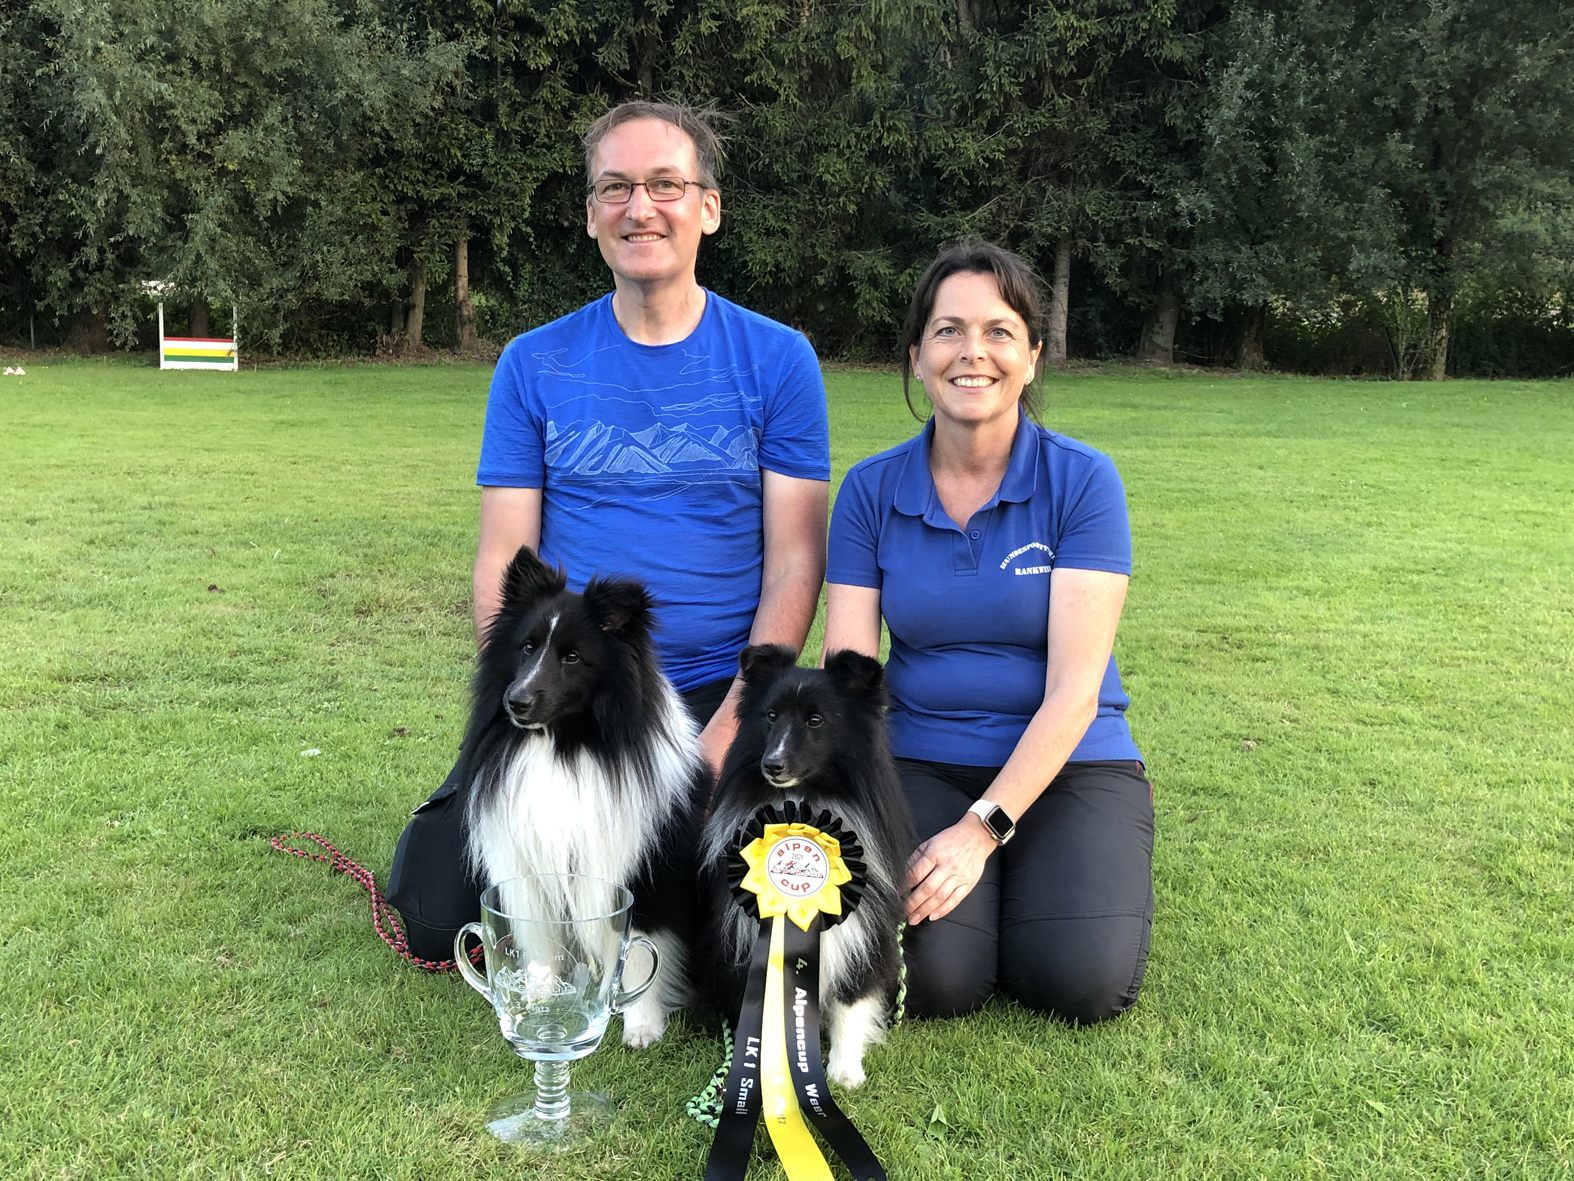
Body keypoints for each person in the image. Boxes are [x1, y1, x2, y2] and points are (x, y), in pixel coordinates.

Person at [386, 101, 830, 960]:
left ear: (708, 206)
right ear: (590, 213)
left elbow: (795, 561)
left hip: (711, 691)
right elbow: (503, 560)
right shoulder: (533, 362)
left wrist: (734, 726)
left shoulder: (779, 359)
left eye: (666, 184)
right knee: (442, 919)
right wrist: (521, 700)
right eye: (615, 187)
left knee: (725, 918)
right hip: (581, 687)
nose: (640, 207)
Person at [822, 240, 1153, 1023]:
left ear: (1033, 357)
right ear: (916, 355)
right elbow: (848, 681)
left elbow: (1075, 693)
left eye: (1000, 331)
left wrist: (979, 834)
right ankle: (993, 898)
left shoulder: (1083, 481)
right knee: (934, 979)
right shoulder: (869, 491)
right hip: (923, 756)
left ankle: (1041, 875)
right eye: (948, 331)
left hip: (1073, 760)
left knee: (1076, 982)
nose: (974, 352)